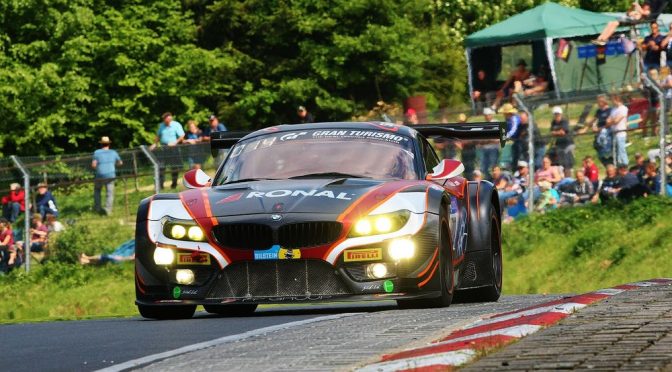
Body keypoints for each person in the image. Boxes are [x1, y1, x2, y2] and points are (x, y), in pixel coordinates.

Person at [592, 1, 664, 45]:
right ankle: (600, 38)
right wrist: (632, 7)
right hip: (627, 19)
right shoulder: (638, 11)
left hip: (632, 21)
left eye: (646, 6)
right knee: (611, 23)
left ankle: (605, 39)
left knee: (615, 24)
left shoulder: (647, 12)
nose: (645, 6)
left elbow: (644, 14)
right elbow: (628, 13)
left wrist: (638, 6)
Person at [151, 112, 185, 189]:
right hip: (164, 148)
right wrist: (155, 144)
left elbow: (182, 135)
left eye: (168, 119)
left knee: (174, 167)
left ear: (170, 118)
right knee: (161, 167)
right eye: (165, 119)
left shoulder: (176, 124)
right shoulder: (161, 126)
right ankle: (160, 186)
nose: (166, 121)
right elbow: (158, 136)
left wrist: (175, 143)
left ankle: (174, 184)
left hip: (173, 148)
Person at [92, 136, 122, 216]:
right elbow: (120, 162)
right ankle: (108, 210)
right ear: (109, 144)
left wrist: (98, 168)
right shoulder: (113, 152)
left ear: (101, 144)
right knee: (110, 193)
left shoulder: (97, 152)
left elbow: (94, 165)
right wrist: (113, 164)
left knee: (97, 190)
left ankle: (97, 208)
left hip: (100, 175)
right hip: (111, 174)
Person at [584, 94, 613, 166]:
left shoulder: (610, 110)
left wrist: (599, 129)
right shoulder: (598, 111)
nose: (597, 103)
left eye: (599, 101)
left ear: (604, 102)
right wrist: (586, 128)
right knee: (598, 149)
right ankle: (607, 166)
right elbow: (593, 120)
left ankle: (611, 165)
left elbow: (609, 123)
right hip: (599, 133)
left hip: (607, 133)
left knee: (607, 153)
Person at [549, 106, 574, 172]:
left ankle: (568, 174)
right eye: (555, 114)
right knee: (560, 161)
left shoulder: (564, 121)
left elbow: (563, 132)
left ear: (561, 114)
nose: (557, 116)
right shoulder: (553, 122)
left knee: (567, 161)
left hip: (567, 143)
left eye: (558, 114)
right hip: (559, 144)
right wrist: (557, 132)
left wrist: (555, 132)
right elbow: (552, 132)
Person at [608, 95, 629, 166]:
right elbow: (607, 121)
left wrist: (612, 120)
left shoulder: (623, 108)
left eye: (613, 100)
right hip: (613, 132)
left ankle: (625, 164)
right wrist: (612, 120)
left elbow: (617, 121)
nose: (612, 102)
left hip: (621, 132)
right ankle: (618, 165)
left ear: (617, 100)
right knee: (615, 151)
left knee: (621, 150)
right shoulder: (613, 110)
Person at [480, 107, 501, 179]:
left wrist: (487, 140)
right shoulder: (483, 125)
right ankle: (488, 179)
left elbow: (498, 138)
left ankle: (495, 180)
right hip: (485, 149)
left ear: (491, 115)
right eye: (486, 115)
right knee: (484, 167)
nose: (487, 116)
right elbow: (480, 139)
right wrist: (488, 140)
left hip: (493, 149)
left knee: (494, 166)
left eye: (488, 115)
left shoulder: (496, 123)